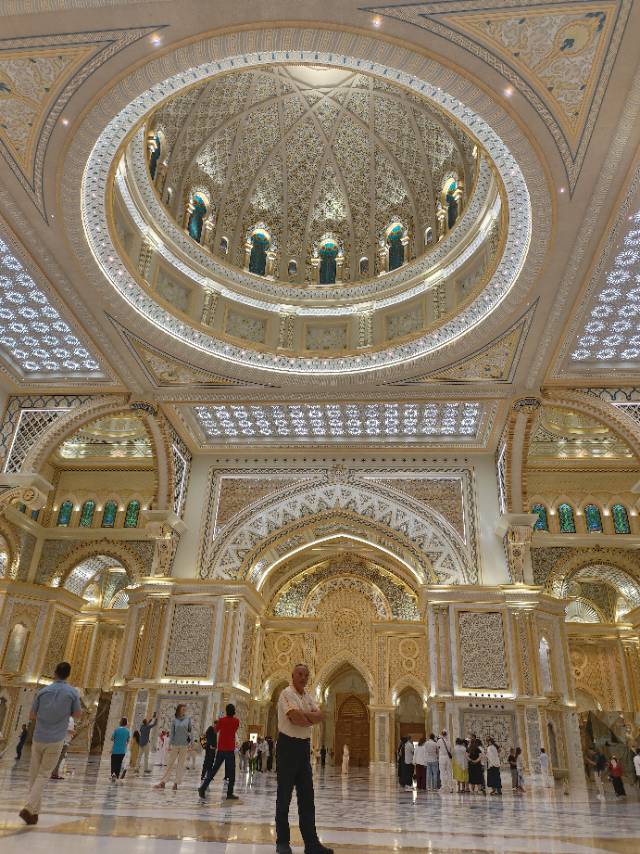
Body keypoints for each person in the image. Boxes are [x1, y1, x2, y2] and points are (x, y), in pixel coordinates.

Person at [274, 663, 333, 854]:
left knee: (307, 798)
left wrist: (305, 716)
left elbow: (320, 716)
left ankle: (312, 844)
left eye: (306, 675)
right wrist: (309, 718)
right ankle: (282, 842)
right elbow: (294, 718)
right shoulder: (286, 694)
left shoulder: (307, 697)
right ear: (293, 675)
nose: (303, 678)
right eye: (299, 674)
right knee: (284, 796)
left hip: (303, 749)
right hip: (287, 747)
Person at [19, 661, 81, 826]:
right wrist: (63, 712)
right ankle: (28, 808)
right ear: (68, 675)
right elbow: (77, 714)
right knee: (44, 774)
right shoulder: (72, 693)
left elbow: (32, 715)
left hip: (38, 737)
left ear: (54, 673)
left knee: (34, 774)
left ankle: (34, 814)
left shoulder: (43, 691)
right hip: (55, 739)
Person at [198, 704, 240, 800]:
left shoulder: (221, 720)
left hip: (221, 749)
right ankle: (229, 793)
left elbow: (216, 730)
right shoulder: (236, 721)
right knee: (232, 772)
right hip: (230, 750)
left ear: (226, 711)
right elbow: (235, 729)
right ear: (234, 711)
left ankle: (203, 788)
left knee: (213, 770)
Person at [155, 703, 192, 790]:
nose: (184, 711)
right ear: (179, 710)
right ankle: (163, 782)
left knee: (180, 764)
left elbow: (190, 732)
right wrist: (169, 745)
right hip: (175, 744)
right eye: (183, 709)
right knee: (170, 763)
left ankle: (176, 783)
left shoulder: (188, 719)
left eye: (185, 709)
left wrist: (191, 743)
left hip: (184, 745)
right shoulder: (175, 720)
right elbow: (172, 733)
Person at [111, 717, 130, 781]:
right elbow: (128, 740)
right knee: (119, 764)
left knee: (113, 763)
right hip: (122, 751)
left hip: (115, 750)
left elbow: (112, 738)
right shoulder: (127, 731)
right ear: (126, 723)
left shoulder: (116, 730)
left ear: (120, 722)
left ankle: (113, 774)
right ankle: (117, 776)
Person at [437, 730, 453, 794]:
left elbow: (437, 749)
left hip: (442, 757)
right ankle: (450, 787)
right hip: (448, 758)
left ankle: (443, 786)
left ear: (441, 734)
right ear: (446, 734)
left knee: (442, 772)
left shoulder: (439, 741)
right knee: (449, 772)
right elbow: (450, 750)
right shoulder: (449, 742)